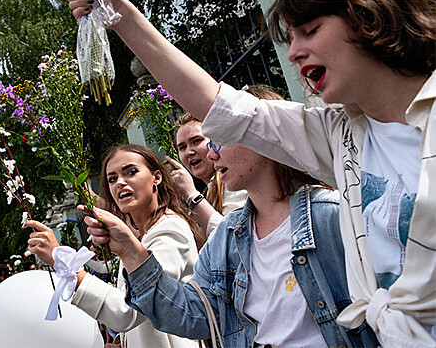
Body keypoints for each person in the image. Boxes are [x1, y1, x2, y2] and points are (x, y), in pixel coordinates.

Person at [67, 0, 435, 346]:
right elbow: (218, 104)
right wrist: (117, 10)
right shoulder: (343, 136)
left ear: (368, 16)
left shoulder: (327, 211)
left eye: (310, 30)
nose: (293, 53)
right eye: (289, 39)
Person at [84, 111, 378, 347]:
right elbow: (195, 314)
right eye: (111, 179)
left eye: (218, 139)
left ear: (260, 138)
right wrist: (129, 251)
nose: (210, 154)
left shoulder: (332, 215)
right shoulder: (228, 236)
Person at [26, 144, 200, 348]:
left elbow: (129, 311)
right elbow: (141, 314)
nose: (120, 183)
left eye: (131, 172)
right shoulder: (144, 234)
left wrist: (62, 260)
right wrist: (124, 342)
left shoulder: (169, 229)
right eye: (112, 179)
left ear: (157, 178)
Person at [169, 112, 247, 238]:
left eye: (196, 141)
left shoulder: (234, 182)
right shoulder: (207, 192)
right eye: (182, 147)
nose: (189, 152)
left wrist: (191, 196)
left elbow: (233, 239)